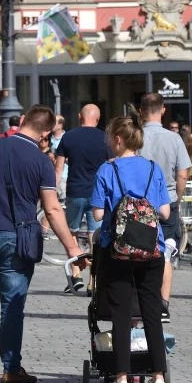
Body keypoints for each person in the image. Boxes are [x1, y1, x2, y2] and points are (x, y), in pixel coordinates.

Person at [0, 105, 85, 383]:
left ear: (24, 120)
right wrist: (71, 248)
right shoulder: (42, 162)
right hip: (19, 237)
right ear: (46, 133)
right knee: (12, 305)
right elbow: (52, 209)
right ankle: (11, 369)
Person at [91, 115, 172, 383]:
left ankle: (122, 378)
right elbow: (165, 212)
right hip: (151, 248)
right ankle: (158, 377)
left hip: (118, 250)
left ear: (117, 139)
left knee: (121, 314)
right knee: (152, 312)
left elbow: (98, 214)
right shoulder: (153, 168)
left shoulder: (107, 170)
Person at [137, 92, 188, 322]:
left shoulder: (135, 137)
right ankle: (163, 304)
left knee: (139, 252)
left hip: (139, 204)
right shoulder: (174, 139)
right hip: (167, 201)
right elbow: (182, 174)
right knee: (165, 252)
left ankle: (140, 303)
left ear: (141, 111)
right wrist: (176, 197)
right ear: (163, 110)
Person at [54, 104, 110, 293]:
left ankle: (76, 272)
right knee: (95, 236)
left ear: (80, 116)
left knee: (71, 232)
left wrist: (52, 192)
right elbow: (112, 166)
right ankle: (93, 281)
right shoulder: (105, 138)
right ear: (98, 118)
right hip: (97, 194)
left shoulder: (68, 137)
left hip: (74, 191)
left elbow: (58, 168)